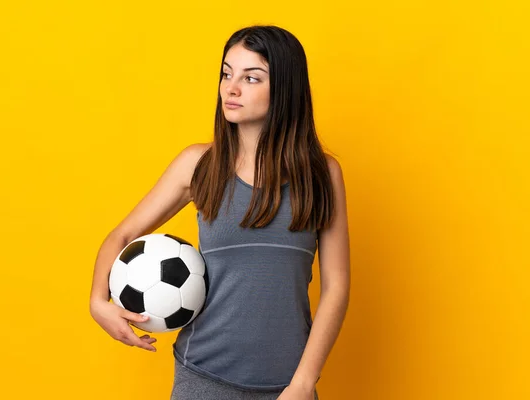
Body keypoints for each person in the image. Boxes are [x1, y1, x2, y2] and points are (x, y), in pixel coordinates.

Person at [90, 25, 351, 400]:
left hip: (288, 385)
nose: (231, 88)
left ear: (285, 89)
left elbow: (337, 286)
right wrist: (99, 303)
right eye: (227, 73)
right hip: (204, 377)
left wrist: (303, 383)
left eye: (251, 77)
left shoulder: (322, 175)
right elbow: (123, 236)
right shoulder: (199, 164)